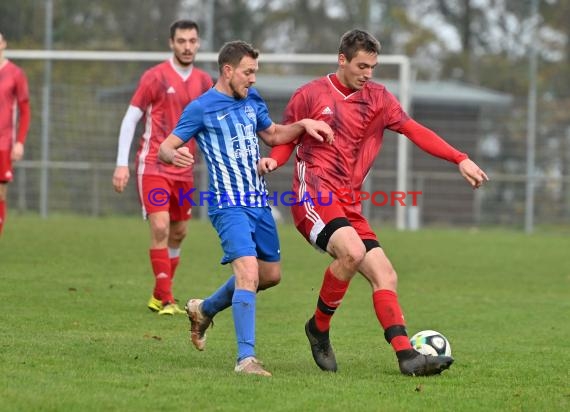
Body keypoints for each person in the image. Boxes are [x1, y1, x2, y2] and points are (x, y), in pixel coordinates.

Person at [263, 29, 489, 376]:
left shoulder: (379, 98)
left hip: (349, 202)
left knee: (386, 274)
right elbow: (287, 138)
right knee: (351, 252)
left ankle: (407, 356)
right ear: (342, 60)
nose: (368, 74)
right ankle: (319, 328)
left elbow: (414, 130)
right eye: (362, 66)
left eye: (373, 67)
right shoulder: (309, 94)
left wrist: (459, 158)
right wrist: (274, 162)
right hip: (314, 192)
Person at [158, 40, 334, 376]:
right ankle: (246, 360)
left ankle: (204, 309)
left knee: (270, 275)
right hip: (228, 205)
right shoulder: (201, 108)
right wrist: (174, 155)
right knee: (248, 273)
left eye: (255, 72)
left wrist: (303, 125)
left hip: (259, 202)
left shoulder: (251, 98)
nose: (253, 79)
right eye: (248, 72)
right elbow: (166, 148)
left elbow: (272, 134)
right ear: (228, 70)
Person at [112, 20, 213, 315]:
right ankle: (167, 299)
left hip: (185, 171)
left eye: (192, 41)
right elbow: (131, 119)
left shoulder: (205, 82)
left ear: (198, 43)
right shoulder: (155, 77)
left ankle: (159, 293)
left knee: (179, 232)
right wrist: (121, 164)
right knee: (160, 226)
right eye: (181, 40)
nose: (187, 46)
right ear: (171, 43)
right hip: (153, 165)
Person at [0, 32, 31, 236]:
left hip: (3, 143)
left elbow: (25, 110)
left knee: (0, 194)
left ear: (3, 44)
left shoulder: (15, 73)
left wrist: (19, 142)